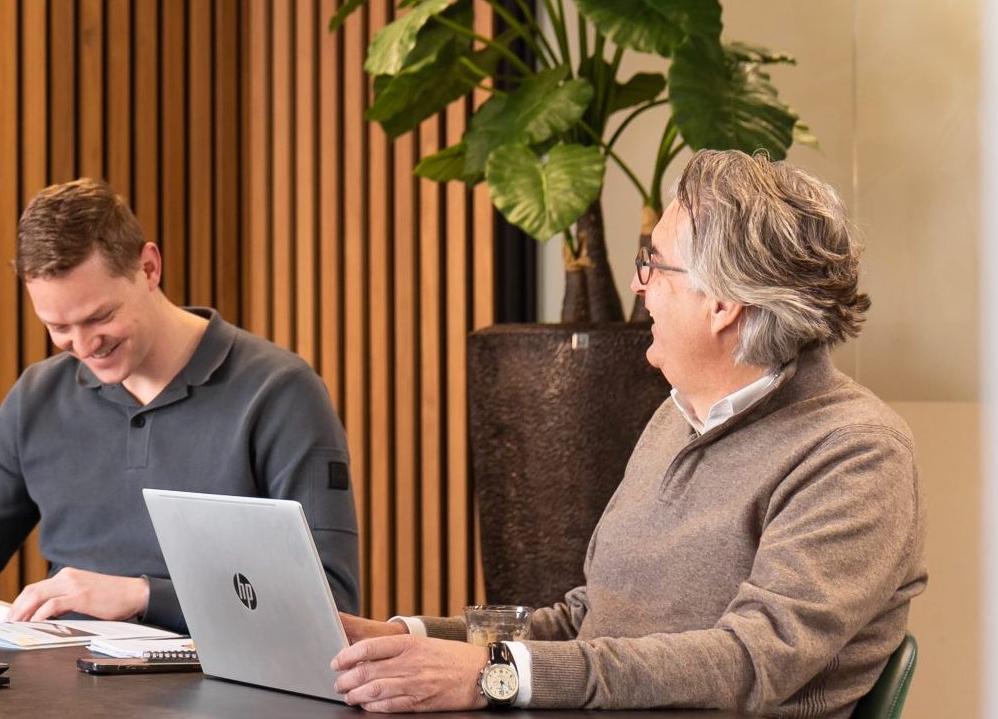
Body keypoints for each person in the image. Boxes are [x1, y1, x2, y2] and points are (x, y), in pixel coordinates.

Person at [328, 150, 924, 718]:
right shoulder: (677, 414)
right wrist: (403, 638)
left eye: (654, 264)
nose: (640, 286)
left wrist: (494, 674)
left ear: (720, 304)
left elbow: (749, 661)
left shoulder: (856, 451)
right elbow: (590, 618)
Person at [0, 178, 362, 633]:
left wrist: (141, 596)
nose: (83, 345)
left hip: (216, 688)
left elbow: (330, 603)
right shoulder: (37, 396)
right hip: (60, 683)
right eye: (58, 326)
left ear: (150, 268)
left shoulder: (279, 393)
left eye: (100, 317)